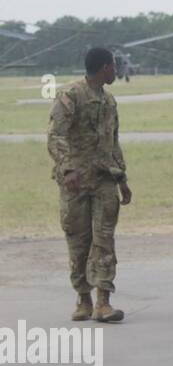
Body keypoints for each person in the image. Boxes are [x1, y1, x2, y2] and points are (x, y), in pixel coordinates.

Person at [47, 47, 132, 322]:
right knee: (78, 240)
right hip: (76, 183)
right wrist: (68, 170)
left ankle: (103, 302)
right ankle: (83, 300)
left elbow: (113, 143)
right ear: (104, 68)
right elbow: (55, 136)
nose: (116, 71)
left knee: (104, 239)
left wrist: (123, 179)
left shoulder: (109, 101)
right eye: (113, 67)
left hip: (105, 180)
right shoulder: (70, 95)